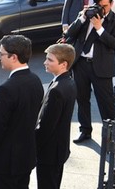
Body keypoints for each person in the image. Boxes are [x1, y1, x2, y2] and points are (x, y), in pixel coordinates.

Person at [0, 35, 44, 189]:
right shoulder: (36, 80)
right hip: (25, 158)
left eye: (1, 54)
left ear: (13, 57)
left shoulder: (6, 89)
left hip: (5, 163)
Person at [65, 0, 115, 144]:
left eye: (104, 6)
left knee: (107, 103)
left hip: (101, 67)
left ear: (111, 3)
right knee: (82, 99)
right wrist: (82, 18)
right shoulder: (86, 15)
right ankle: (85, 131)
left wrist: (99, 28)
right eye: (98, 5)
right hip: (81, 64)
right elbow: (69, 34)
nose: (101, 9)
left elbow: (114, 43)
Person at [36, 44, 77, 189]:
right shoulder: (68, 82)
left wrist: (33, 146)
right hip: (58, 150)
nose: (45, 62)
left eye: (50, 60)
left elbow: (47, 125)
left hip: (49, 153)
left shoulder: (57, 90)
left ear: (63, 64)